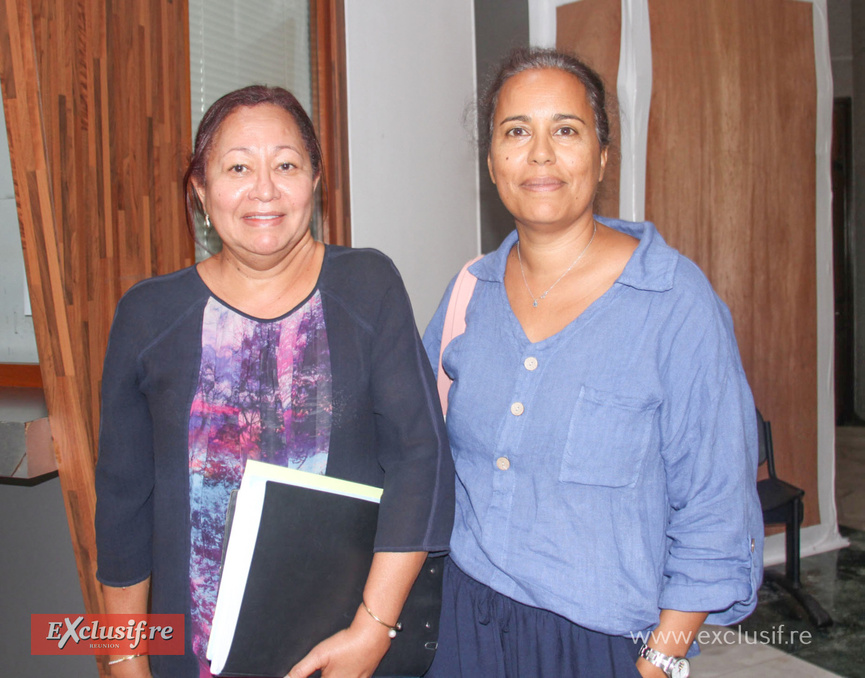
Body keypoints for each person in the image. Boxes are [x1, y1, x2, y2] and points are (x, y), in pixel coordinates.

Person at [423, 48, 763, 678]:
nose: (541, 154)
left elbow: (715, 508)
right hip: (461, 625)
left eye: (567, 130)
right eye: (516, 131)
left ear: (603, 157)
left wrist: (661, 661)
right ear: (493, 160)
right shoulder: (471, 292)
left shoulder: (674, 303)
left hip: (602, 644)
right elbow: (417, 452)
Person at [94, 85, 454, 678]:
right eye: (238, 167)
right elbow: (123, 503)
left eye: (286, 165)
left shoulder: (369, 285)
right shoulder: (148, 316)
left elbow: (421, 460)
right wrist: (126, 657)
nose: (264, 189)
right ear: (201, 192)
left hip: (349, 651)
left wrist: (372, 630)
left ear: (315, 183)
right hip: (190, 654)